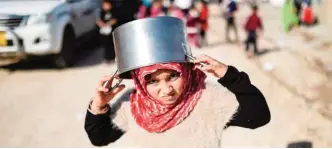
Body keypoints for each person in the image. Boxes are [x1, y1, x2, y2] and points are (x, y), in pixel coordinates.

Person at [84, 17, 270, 147]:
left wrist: (228, 75)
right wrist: (98, 106)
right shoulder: (132, 106)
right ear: (139, 82)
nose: (166, 90)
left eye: (173, 76)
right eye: (153, 81)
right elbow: (99, 138)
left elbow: (257, 117)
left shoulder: (205, 98)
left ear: (187, 72)